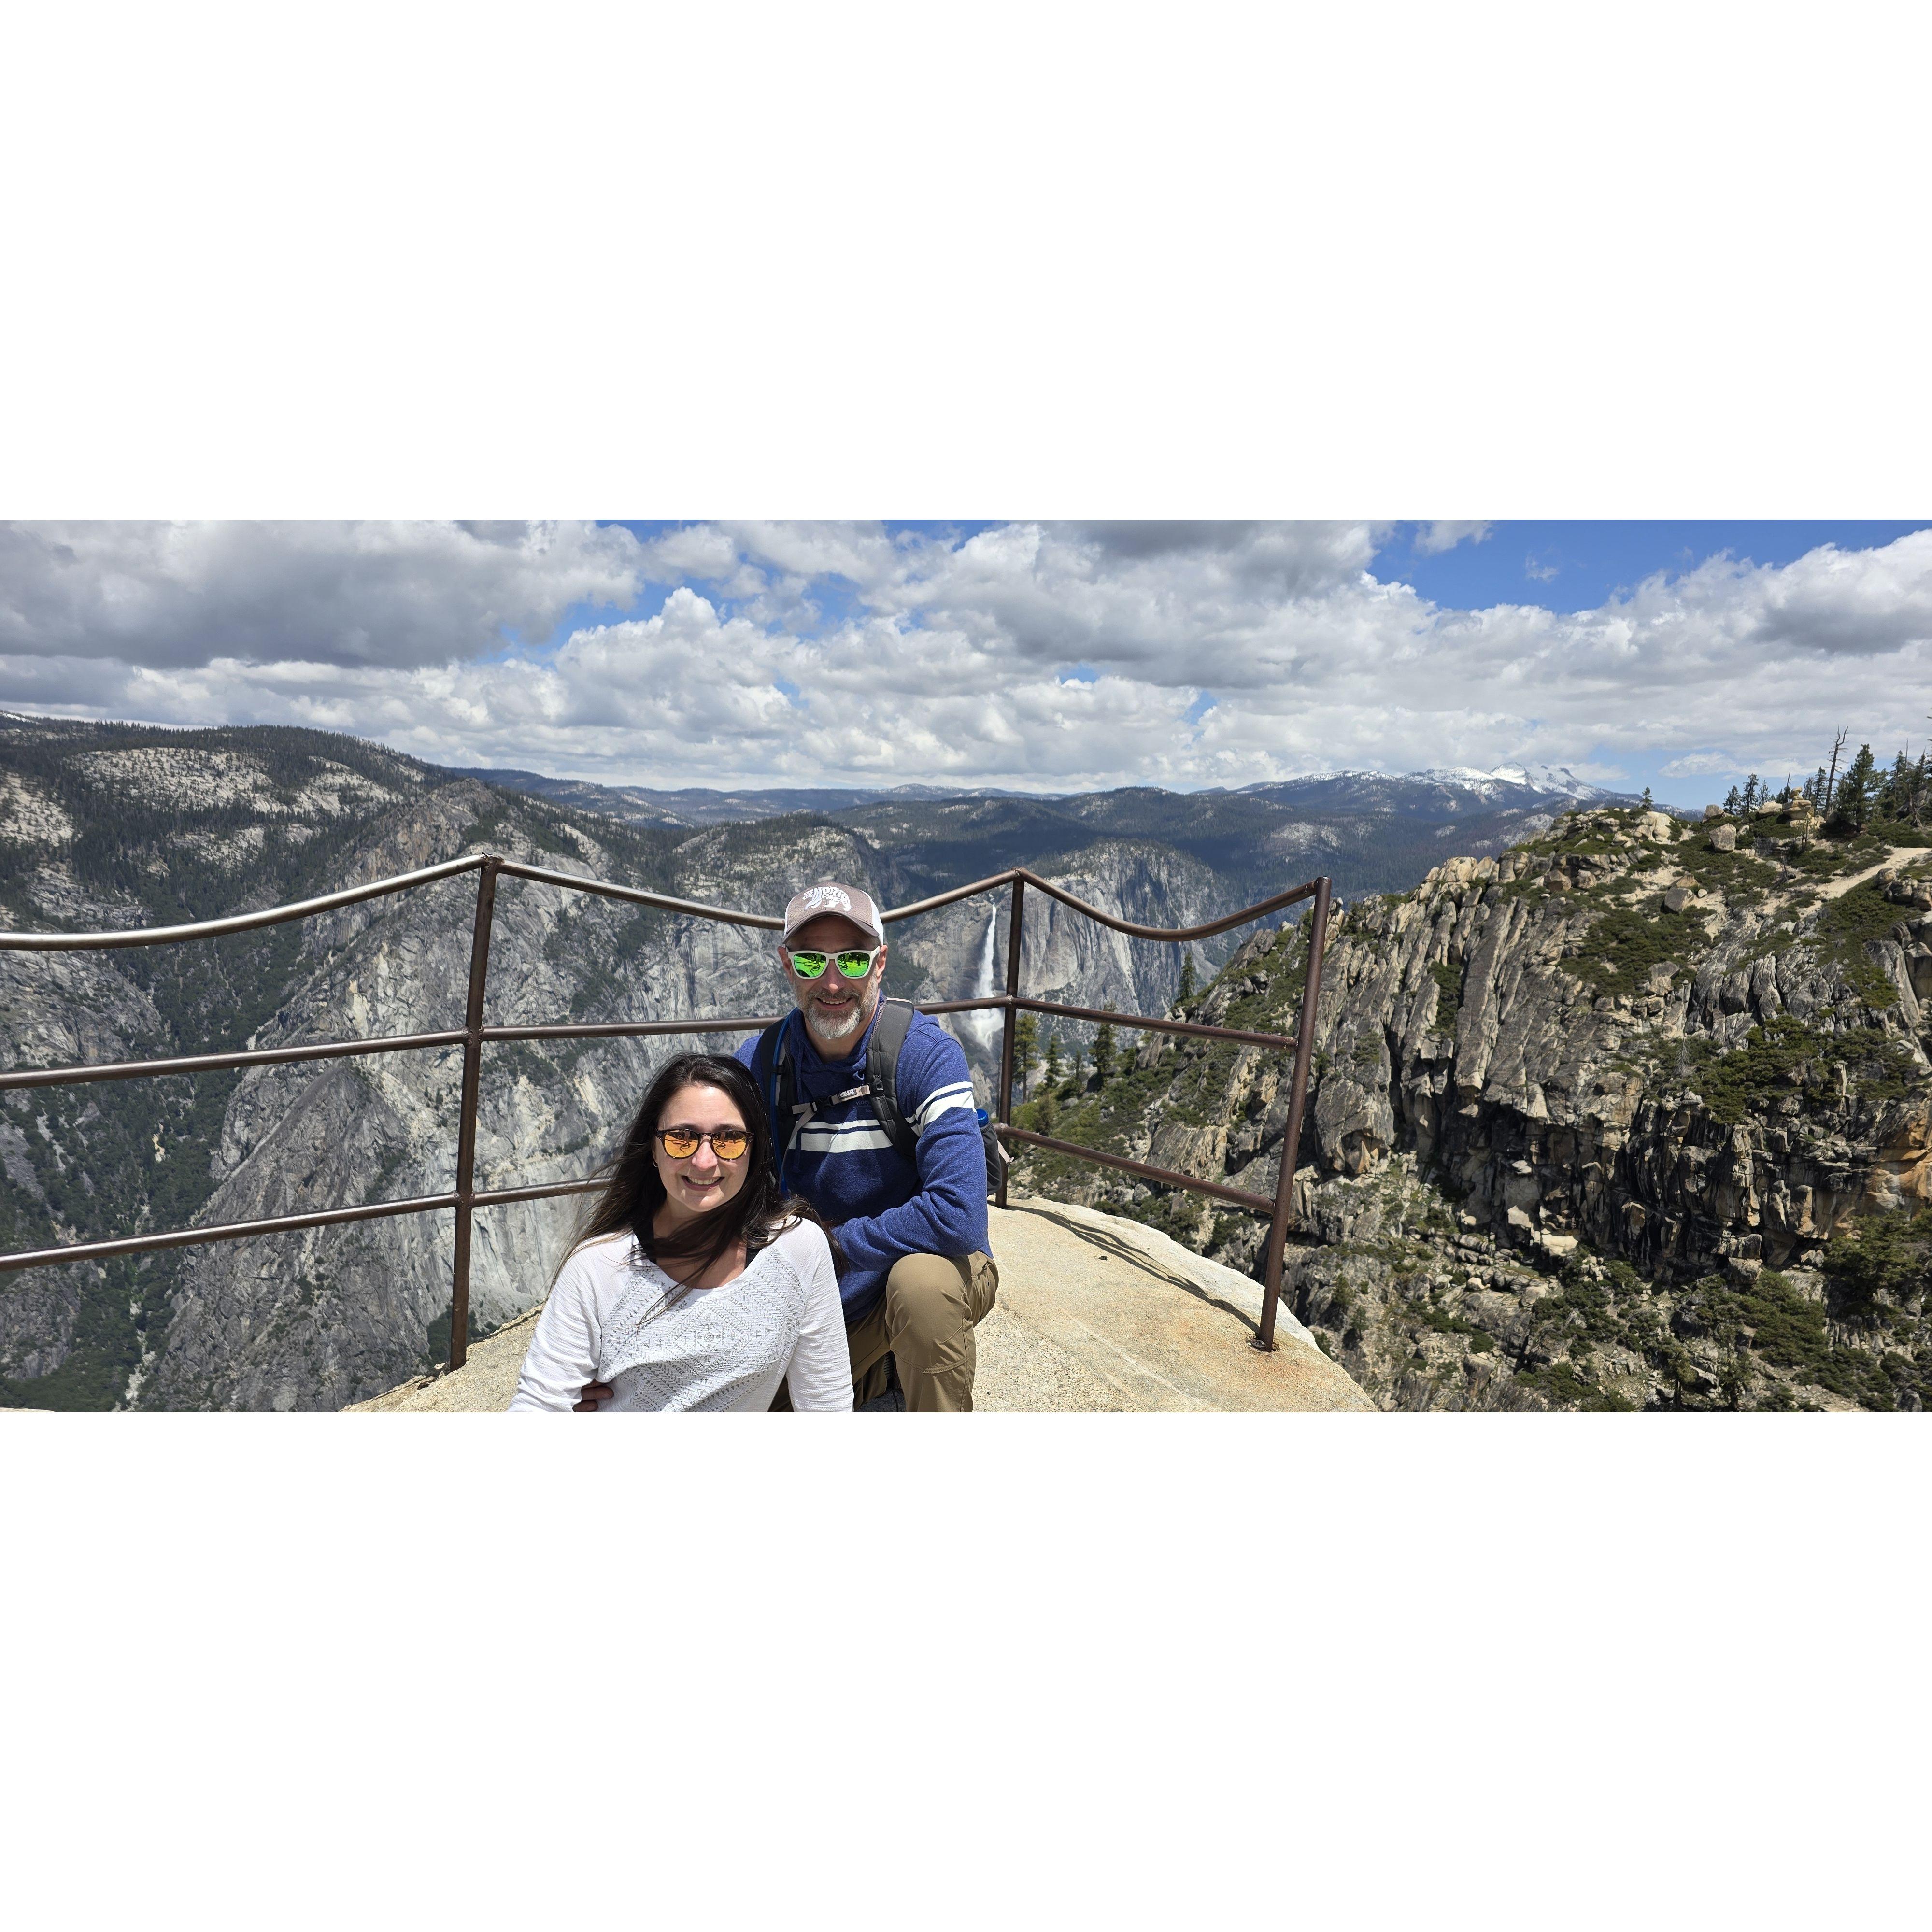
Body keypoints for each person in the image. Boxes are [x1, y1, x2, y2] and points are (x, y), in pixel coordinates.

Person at [744, 880, 997, 1411]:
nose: (833, 982)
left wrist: (831, 1245)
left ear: (880, 964)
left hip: (914, 1267)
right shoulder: (759, 1065)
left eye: (853, 961)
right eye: (812, 963)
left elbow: (961, 1216)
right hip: (815, 1289)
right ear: (787, 965)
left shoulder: (924, 1057)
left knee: (922, 1289)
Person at [510, 1052, 851, 1412]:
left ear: (754, 1149)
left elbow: (827, 1407)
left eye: (729, 1139)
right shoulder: (597, 1269)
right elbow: (538, 1406)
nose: (704, 1161)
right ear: (654, 1149)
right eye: (681, 1138)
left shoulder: (799, 1249)